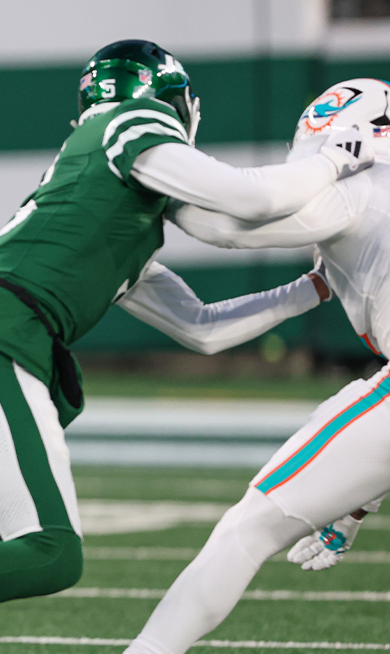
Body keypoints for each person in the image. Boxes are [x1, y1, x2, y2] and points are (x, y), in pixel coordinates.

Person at [0, 40, 374, 654]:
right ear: (172, 103)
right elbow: (251, 199)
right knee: (52, 553)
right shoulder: (131, 121)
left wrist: (314, 287)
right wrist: (334, 161)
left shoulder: (102, 199)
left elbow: (204, 327)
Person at [125, 78, 390, 654]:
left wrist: (141, 184)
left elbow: (224, 224)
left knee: (246, 531)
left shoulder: (358, 184)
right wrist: (360, 498)